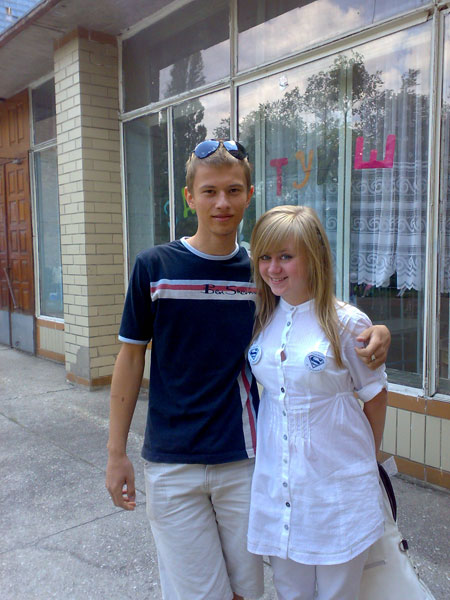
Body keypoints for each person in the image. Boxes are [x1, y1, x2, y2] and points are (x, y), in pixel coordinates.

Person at [105, 140, 391, 600]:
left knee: (247, 591)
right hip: (172, 461)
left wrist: (376, 330)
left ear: (249, 194)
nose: (222, 202)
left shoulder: (262, 276)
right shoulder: (154, 267)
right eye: (209, 191)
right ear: (189, 197)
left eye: (233, 190)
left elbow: (314, 314)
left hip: (248, 461)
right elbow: (131, 357)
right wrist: (116, 452)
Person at [247, 204, 388, 600]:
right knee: (289, 592)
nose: (273, 268)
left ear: (313, 257)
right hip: (278, 486)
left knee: (337, 594)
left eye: (286, 257)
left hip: (336, 490)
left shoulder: (347, 323)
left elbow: (375, 396)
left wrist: (365, 463)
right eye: (265, 257)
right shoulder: (263, 318)